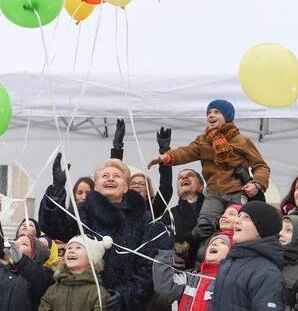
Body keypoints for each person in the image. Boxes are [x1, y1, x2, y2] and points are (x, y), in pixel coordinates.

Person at [42, 159, 172, 311]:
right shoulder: (83, 211)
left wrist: (126, 295)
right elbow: (55, 228)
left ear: (126, 187)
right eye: (105, 176)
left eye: (117, 176)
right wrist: (56, 192)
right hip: (85, 300)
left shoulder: (143, 217)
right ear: (96, 186)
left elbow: (149, 267)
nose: (110, 178)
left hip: (124, 305)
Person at [147, 99, 271, 244]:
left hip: (236, 190)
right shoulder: (203, 140)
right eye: (209, 112)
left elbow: (261, 166)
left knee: (237, 222)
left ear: (228, 117)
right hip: (214, 193)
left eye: (216, 112)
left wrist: (256, 184)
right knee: (204, 225)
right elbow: (186, 152)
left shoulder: (241, 140)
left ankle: (234, 252)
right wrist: (166, 157)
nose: (211, 115)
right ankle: (198, 253)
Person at [210, 200, 286, 310]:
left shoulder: (267, 272)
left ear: (263, 227)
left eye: (247, 218)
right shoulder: (228, 262)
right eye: (239, 216)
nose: (237, 221)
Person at [111, 120, 174, 221]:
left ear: (147, 192)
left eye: (141, 184)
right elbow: (113, 172)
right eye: (133, 183)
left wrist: (165, 152)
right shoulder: (118, 206)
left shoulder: (154, 209)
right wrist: (117, 146)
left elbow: (165, 187)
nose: (136, 185)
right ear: (126, 189)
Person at [153, 233, 232, 311]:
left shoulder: (231, 283)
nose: (214, 244)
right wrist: (165, 251)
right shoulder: (190, 278)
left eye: (223, 242)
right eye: (211, 243)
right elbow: (164, 285)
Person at [39, 235, 112, 311]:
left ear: (91, 259)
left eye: (78, 247)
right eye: (69, 247)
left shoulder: (99, 293)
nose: (71, 251)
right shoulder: (53, 290)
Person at [0, 234, 55, 310]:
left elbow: (43, 285)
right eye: (15, 243)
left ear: (36, 253)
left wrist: (22, 261)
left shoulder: (43, 273)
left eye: (24, 243)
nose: (15, 246)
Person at [39, 152, 94, 241]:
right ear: (74, 196)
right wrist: (57, 190)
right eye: (80, 193)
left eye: (88, 193)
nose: (83, 197)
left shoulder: (100, 219)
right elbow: (51, 228)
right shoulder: (69, 219)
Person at [164, 168, 206, 268]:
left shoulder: (213, 208)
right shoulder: (170, 214)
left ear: (201, 186)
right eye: (180, 177)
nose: (184, 177)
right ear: (178, 191)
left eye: (190, 175)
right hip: (181, 269)